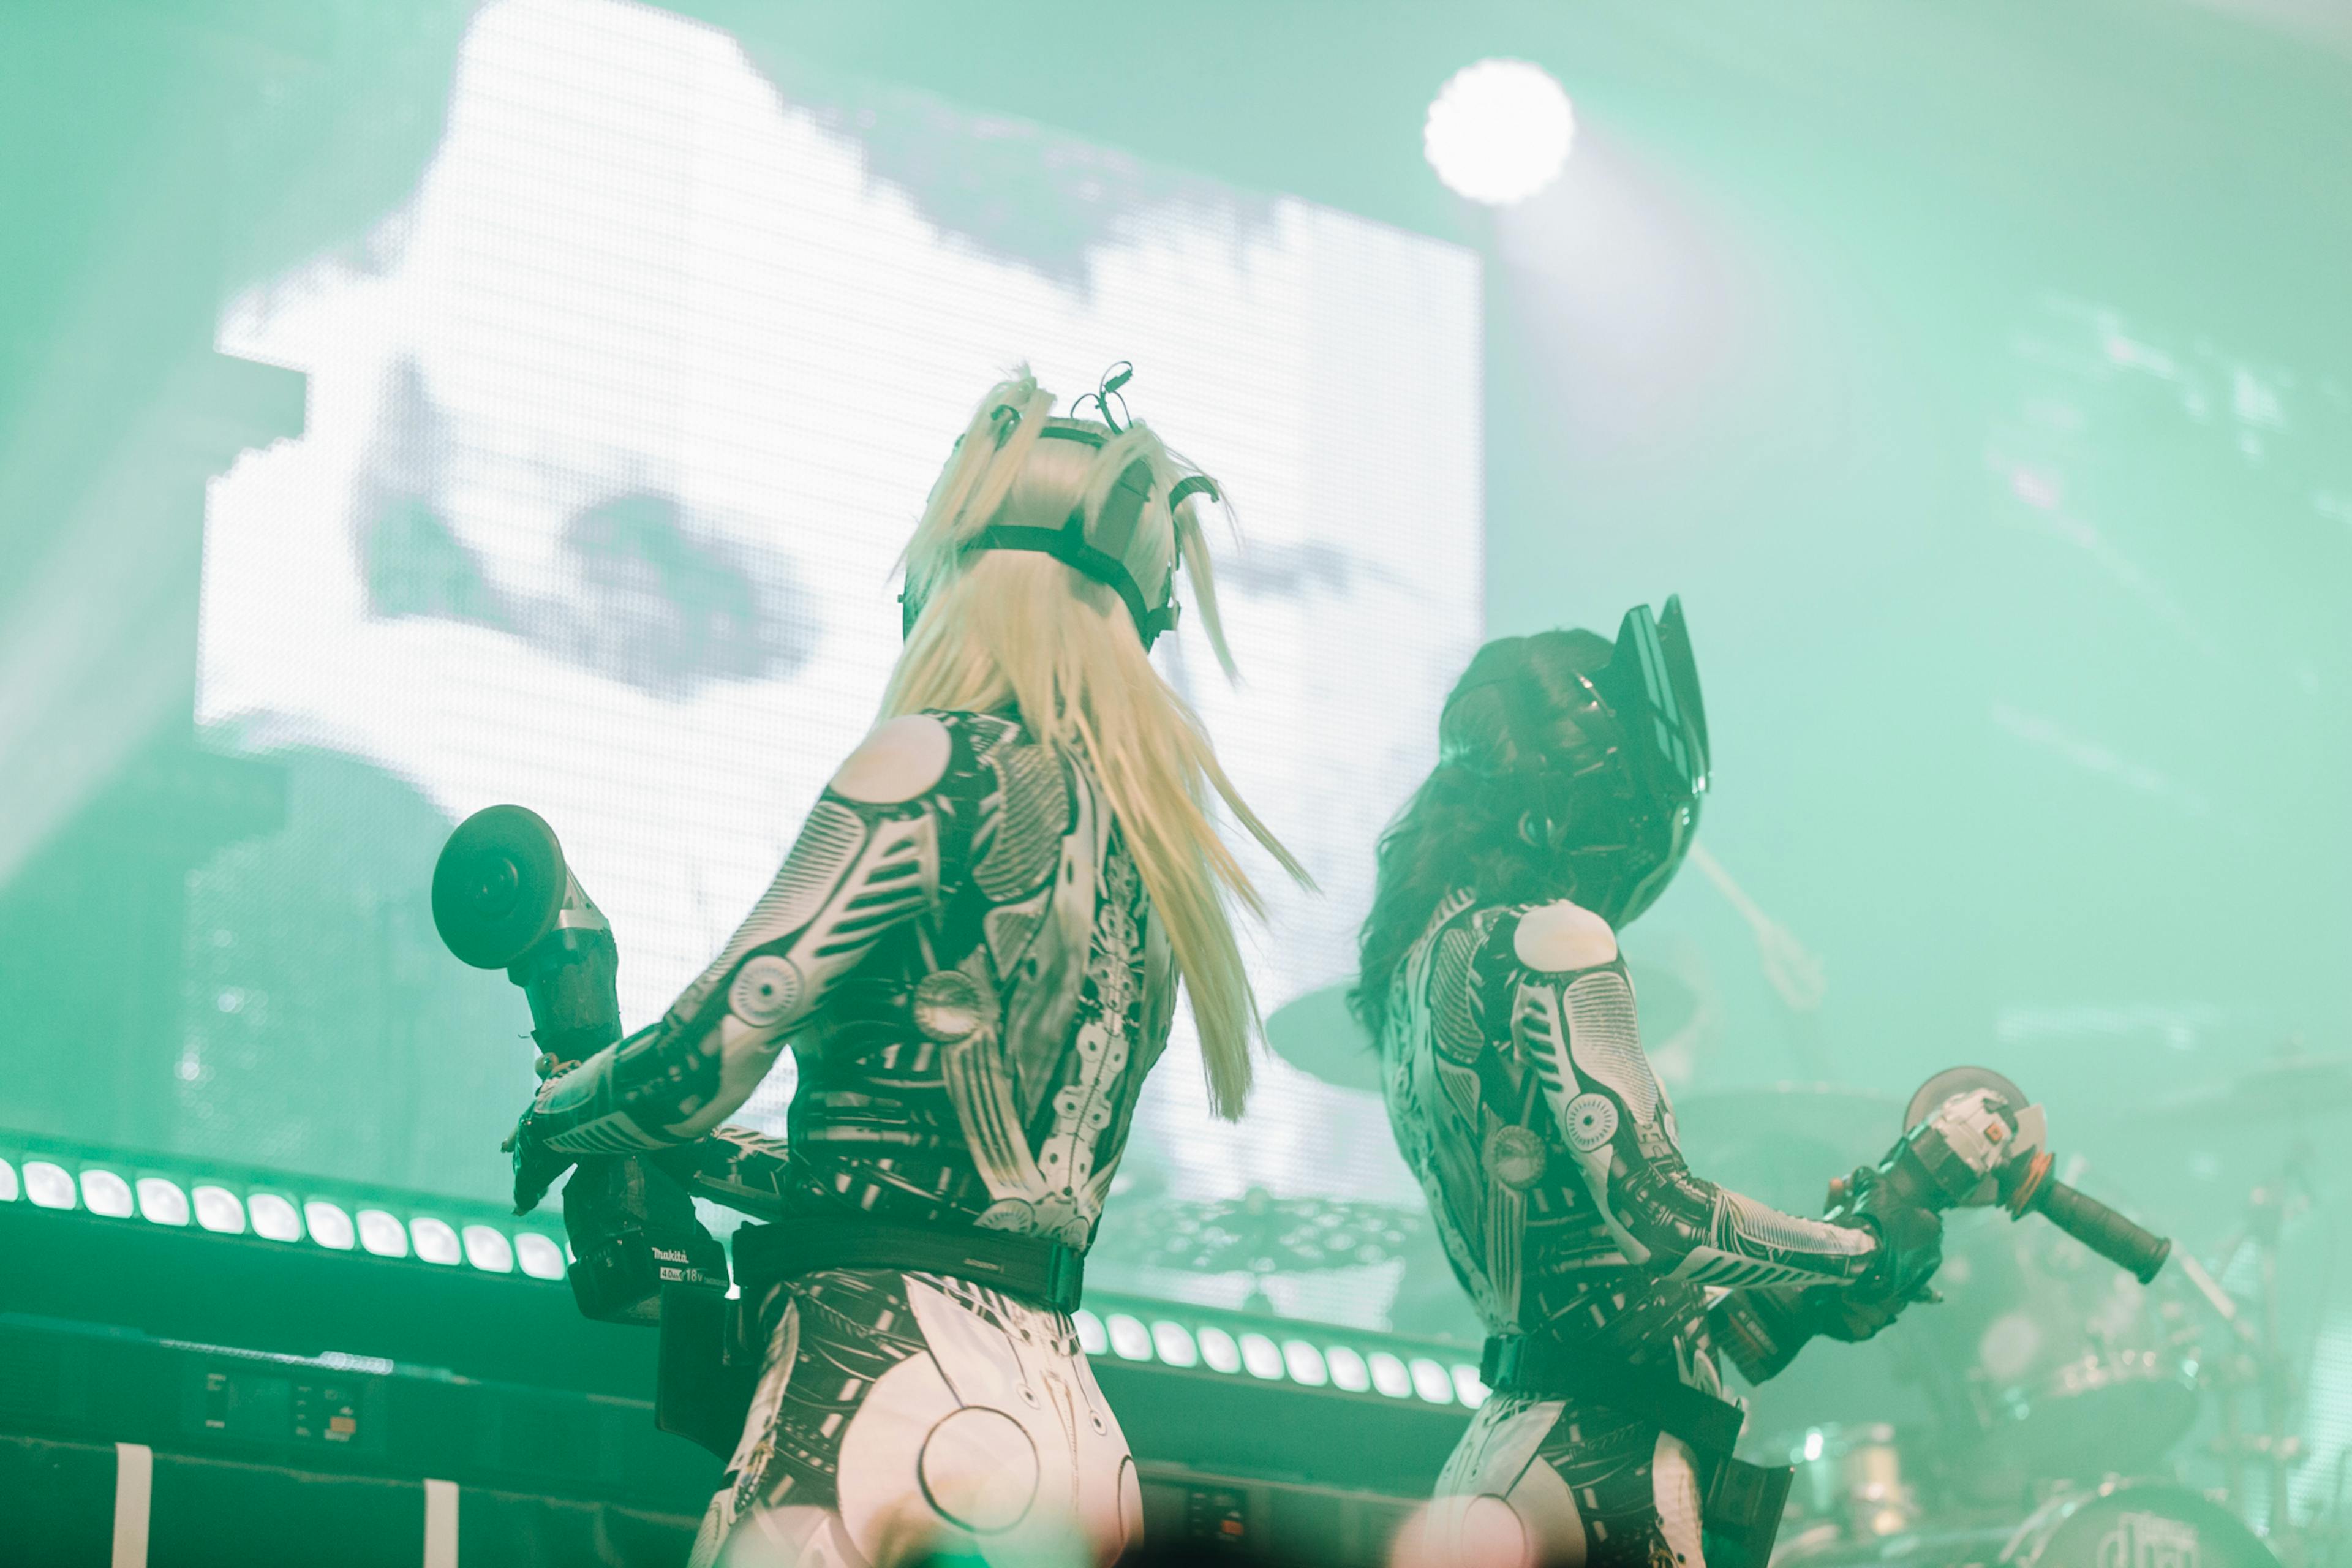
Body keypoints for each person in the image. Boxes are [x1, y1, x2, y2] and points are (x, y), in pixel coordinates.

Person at [505, 366, 1304, 1567]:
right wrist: (656, 1148)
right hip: (1072, 1433)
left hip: (876, 1387)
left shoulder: (932, 764)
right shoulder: (1152, 859)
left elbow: (696, 1060)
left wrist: (563, 1111)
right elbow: (892, 1189)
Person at [1356, 606, 1941, 1568]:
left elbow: (1601, 1292)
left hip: (1496, 1462)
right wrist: (1862, 1253)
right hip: (1606, 1475)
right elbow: (1657, 1213)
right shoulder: (1555, 938)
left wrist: (1795, 1304)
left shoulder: (1420, 968)